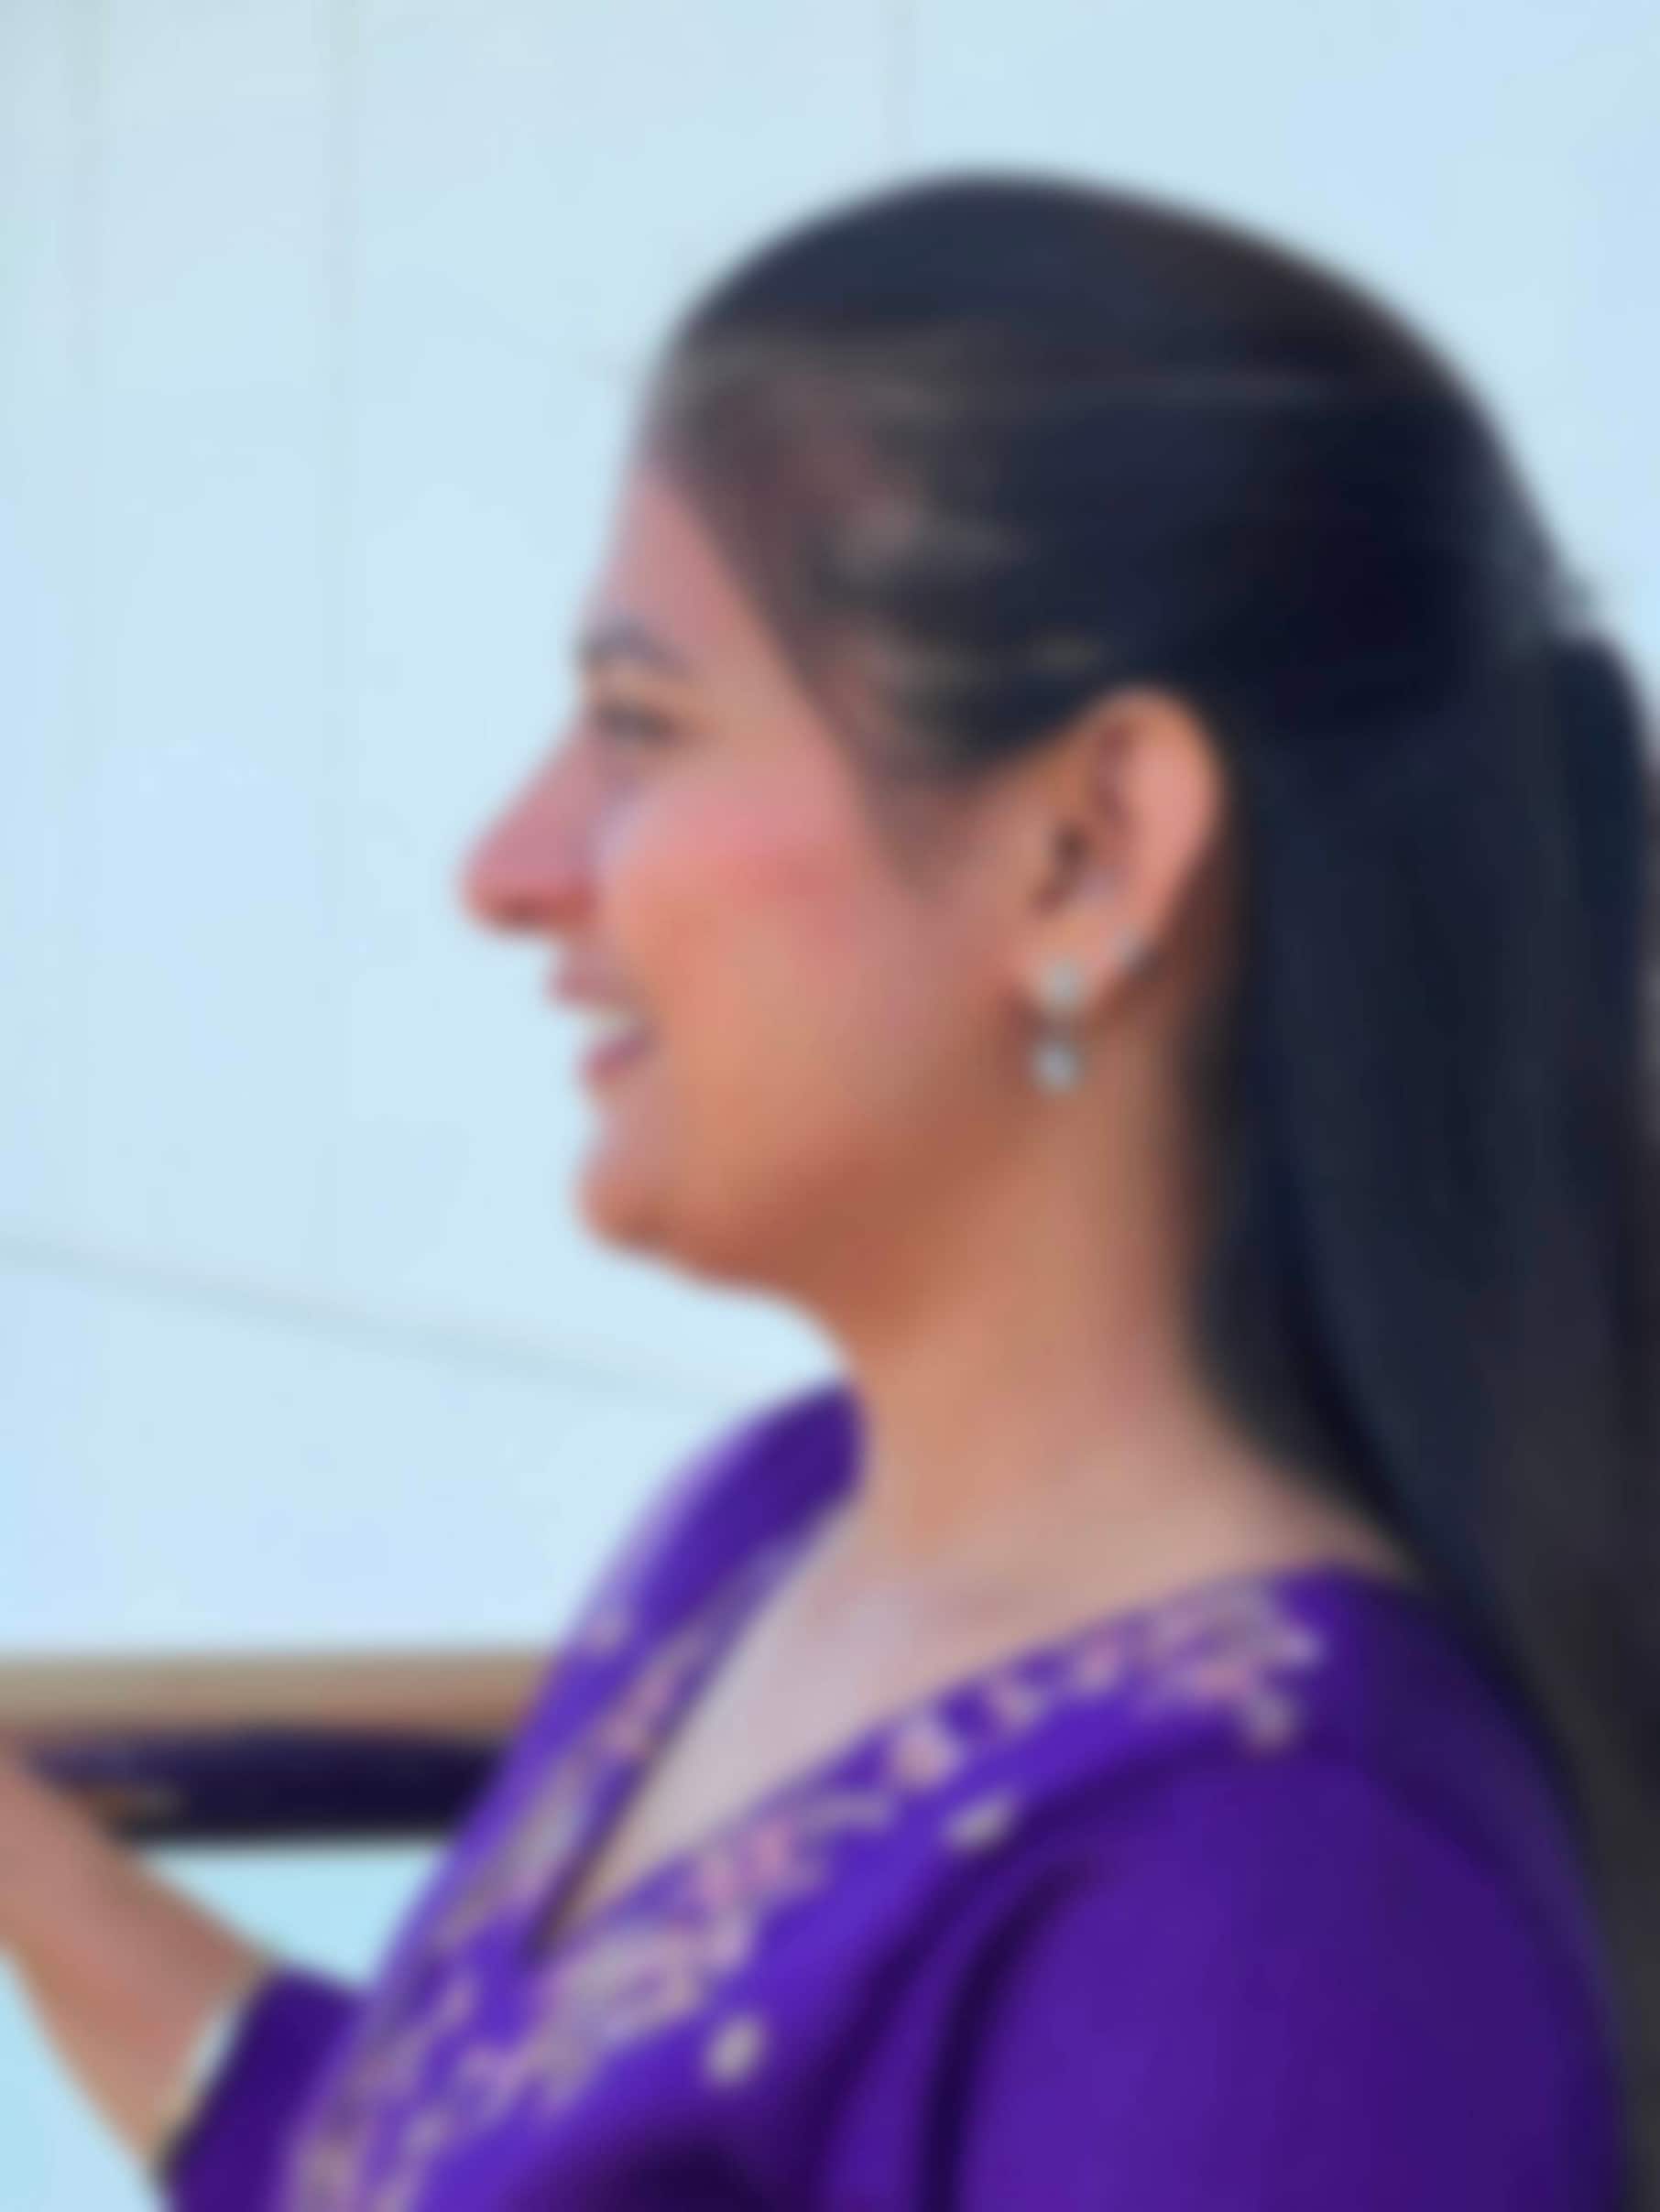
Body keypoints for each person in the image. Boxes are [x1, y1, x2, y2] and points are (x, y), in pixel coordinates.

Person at [2, 170, 1657, 2210]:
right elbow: (417, 2167)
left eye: (638, 724)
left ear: (1089, 849)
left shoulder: (1287, 1914)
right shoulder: (776, 1527)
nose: (510, 865)